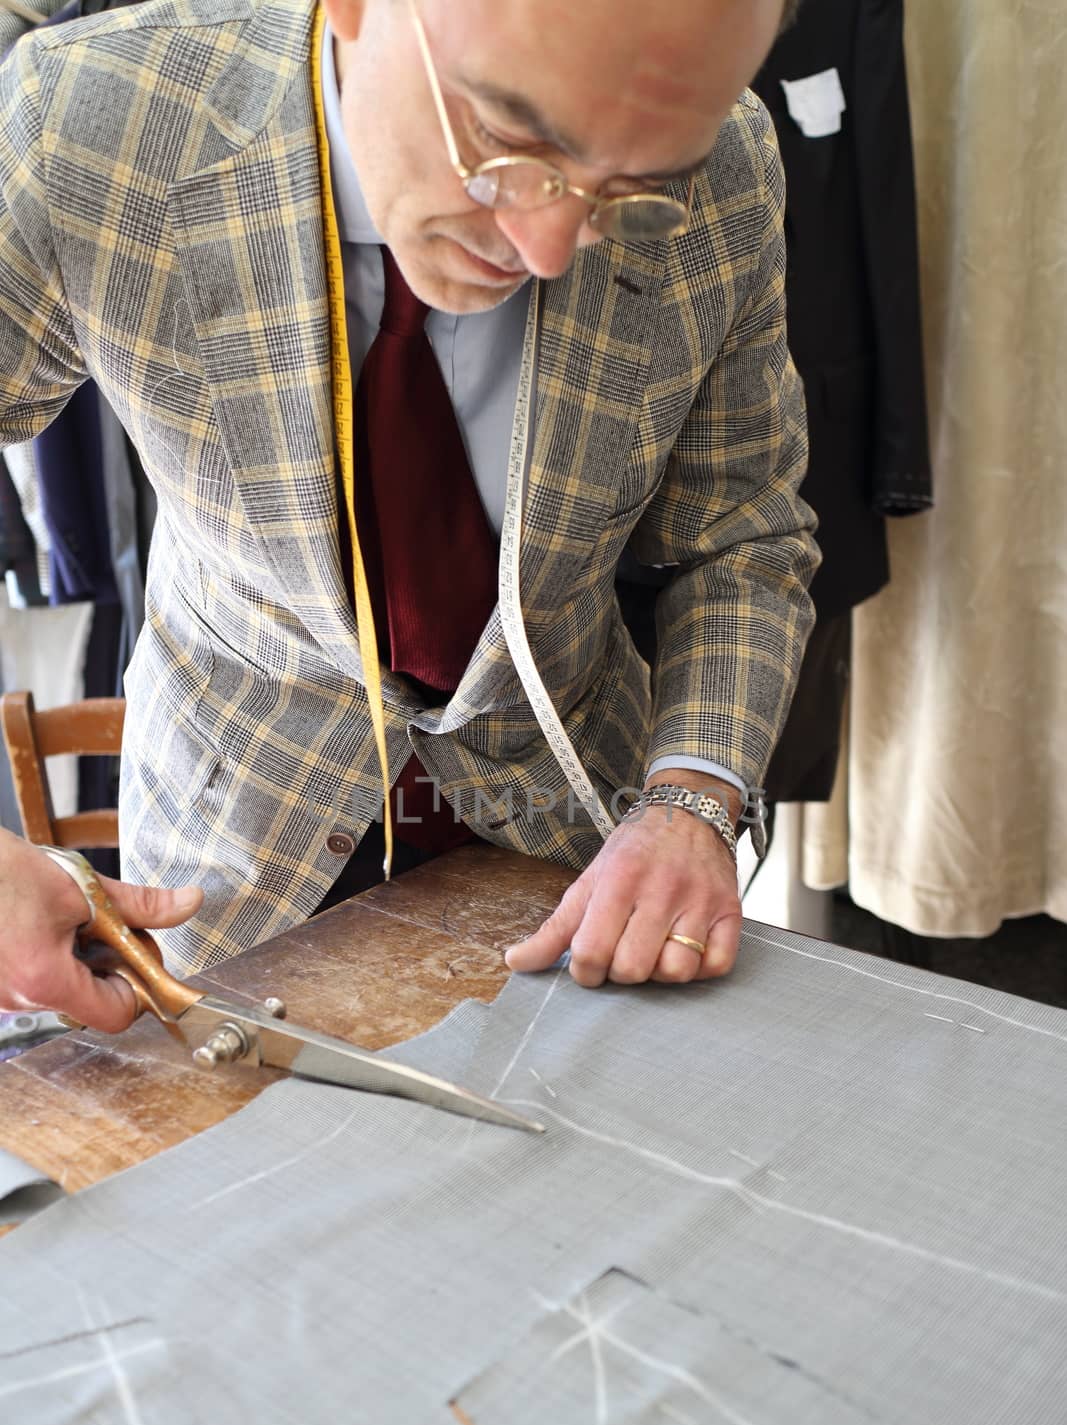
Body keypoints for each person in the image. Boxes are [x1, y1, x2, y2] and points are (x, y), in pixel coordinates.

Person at [0, 0, 818, 1032]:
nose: (549, 247)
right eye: (507, 136)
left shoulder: (729, 165)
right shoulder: (91, 120)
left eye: (633, 192)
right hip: (241, 839)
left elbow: (739, 535)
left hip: (570, 846)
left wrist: (690, 796)